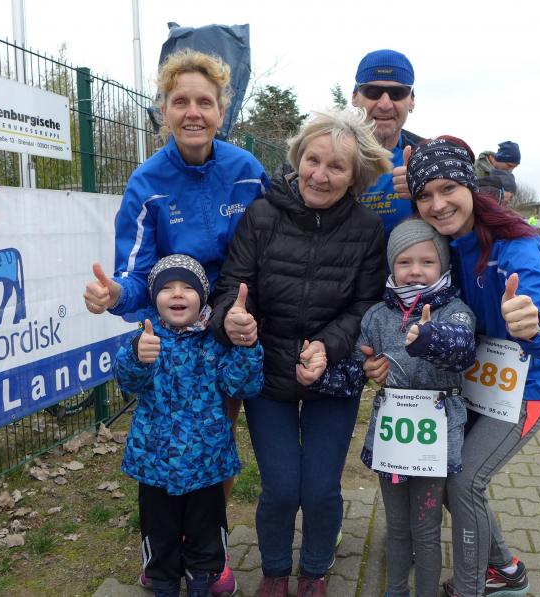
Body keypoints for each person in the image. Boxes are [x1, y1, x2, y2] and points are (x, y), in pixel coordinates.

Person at [82, 48, 269, 595]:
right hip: (175, 332)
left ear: (221, 111)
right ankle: (168, 552)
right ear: (163, 110)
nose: (193, 112)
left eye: (204, 102)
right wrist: (116, 293)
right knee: (173, 442)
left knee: (216, 441)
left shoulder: (246, 171)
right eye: (180, 101)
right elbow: (135, 270)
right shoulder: (147, 181)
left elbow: (278, 237)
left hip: (233, 326)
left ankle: (207, 551)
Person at [368, 135, 540, 597]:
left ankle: (470, 588)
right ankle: (504, 568)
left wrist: (537, 323)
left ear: (470, 187)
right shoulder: (441, 243)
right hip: (471, 385)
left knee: (463, 481)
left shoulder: (515, 245)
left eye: (448, 189)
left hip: (524, 389)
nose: (438, 204)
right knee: (447, 478)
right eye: (425, 195)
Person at [211, 108, 391, 597]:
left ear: (354, 177)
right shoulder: (261, 215)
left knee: (320, 489)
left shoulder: (367, 229)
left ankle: (314, 572)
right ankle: (273, 573)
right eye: (313, 160)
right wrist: (232, 317)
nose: (320, 175)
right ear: (298, 159)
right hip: (268, 374)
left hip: (332, 376)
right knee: (280, 488)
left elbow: (366, 305)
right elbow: (232, 286)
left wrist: (328, 347)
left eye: (336, 167)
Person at [113, 255, 264, 597]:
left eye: (187, 287)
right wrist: (136, 356)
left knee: (206, 542)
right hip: (155, 467)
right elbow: (127, 382)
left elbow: (242, 385)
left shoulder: (216, 341)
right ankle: (164, 583)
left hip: (207, 466)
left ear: (203, 296)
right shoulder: (146, 338)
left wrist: (247, 347)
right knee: (160, 540)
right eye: (167, 288)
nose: (177, 294)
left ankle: (203, 582)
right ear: (155, 298)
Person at [357, 218, 476, 597]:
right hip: (392, 440)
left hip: (434, 442)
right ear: (391, 266)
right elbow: (355, 361)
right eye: (404, 262)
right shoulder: (377, 316)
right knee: (396, 528)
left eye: (427, 261)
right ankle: (394, 591)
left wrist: (430, 338)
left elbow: (462, 347)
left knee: (426, 530)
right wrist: (363, 367)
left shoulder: (455, 310)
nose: (415, 271)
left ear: (442, 265)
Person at [351, 49, 425, 238]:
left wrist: (425, 194)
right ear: (354, 97)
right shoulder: (321, 157)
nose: (385, 104)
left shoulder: (429, 159)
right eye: (373, 92)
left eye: (397, 93)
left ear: (412, 100)